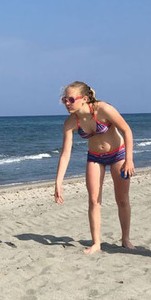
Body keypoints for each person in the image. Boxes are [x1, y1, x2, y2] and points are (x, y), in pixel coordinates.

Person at [53, 81, 135, 254]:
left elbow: (127, 130)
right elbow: (65, 154)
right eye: (64, 100)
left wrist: (129, 160)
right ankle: (96, 243)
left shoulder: (103, 109)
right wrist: (58, 182)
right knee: (93, 200)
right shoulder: (70, 123)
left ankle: (125, 238)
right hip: (95, 157)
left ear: (84, 99)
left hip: (118, 155)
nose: (67, 103)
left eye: (70, 99)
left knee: (122, 199)